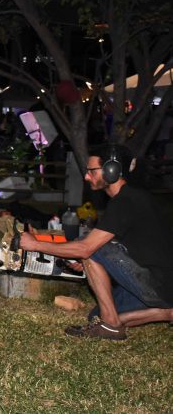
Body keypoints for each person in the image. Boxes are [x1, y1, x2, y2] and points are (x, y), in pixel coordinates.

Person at [20, 144, 173, 340]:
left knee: (89, 247)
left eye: (91, 171)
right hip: (162, 287)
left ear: (112, 170)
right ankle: (166, 313)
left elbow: (87, 248)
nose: (86, 177)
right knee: (96, 316)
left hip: (157, 283)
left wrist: (35, 244)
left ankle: (111, 326)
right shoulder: (130, 198)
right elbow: (122, 248)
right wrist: (88, 263)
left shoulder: (126, 200)